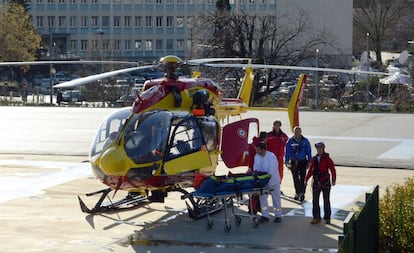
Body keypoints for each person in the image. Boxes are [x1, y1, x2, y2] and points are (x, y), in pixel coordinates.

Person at [305, 141, 336, 224]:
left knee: (326, 200)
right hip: (316, 182)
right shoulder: (314, 159)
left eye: (320, 148)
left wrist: (333, 180)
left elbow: (332, 169)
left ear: (323, 149)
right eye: (317, 148)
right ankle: (316, 217)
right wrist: (306, 179)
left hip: (325, 182)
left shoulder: (327, 159)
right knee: (315, 201)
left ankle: (327, 217)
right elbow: (311, 170)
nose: (319, 150)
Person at [253, 142, 282, 223]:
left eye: (258, 150)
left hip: (273, 181)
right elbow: (256, 168)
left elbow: (271, 171)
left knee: (276, 198)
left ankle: (278, 215)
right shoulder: (257, 156)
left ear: (263, 150)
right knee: (262, 199)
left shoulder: (271, 157)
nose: (257, 151)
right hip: (263, 182)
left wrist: (265, 179)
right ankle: (265, 215)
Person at [284, 126, 312, 202]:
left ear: (301, 132)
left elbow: (308, 151)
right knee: (295, 178)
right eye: (296, 131)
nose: (297, 133)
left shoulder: (305, 141)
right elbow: (287, 151)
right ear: (294, 132)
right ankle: (297, 192)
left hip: (302, 161)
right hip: (294, 162)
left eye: (299, 131)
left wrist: (309, 161)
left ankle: (302, 193)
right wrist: (286, 161)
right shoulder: (290, 141)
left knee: (303, 178)